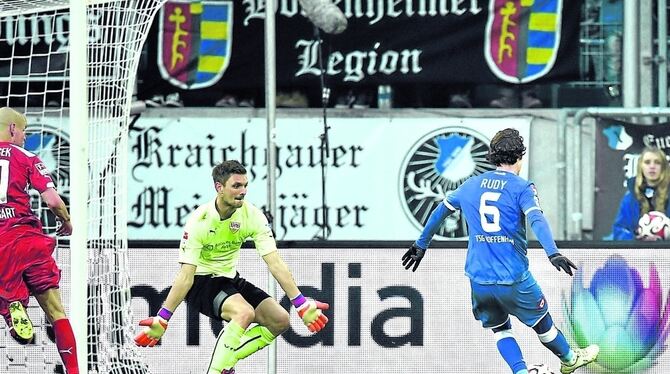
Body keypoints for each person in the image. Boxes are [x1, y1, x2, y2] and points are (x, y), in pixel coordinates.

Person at [401, 128, 599, 374]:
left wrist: (421, 244)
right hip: (513, 277)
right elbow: (536, 218)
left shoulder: (470, 185)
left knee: (500, 329)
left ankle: (521, 371)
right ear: (520, 156)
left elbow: (440, 211)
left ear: (492, 156)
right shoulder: (522, 188)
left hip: (479, 279)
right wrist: (552, 252)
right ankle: (570, 359)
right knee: (542, 323)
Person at [135, 160, 329, 374]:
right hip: (201, 283)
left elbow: (275, 262)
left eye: (245, 185)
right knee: (243, 312)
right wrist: (163, 318)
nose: (243, 191)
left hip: (229, 279)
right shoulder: (200, 221)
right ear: (219, 188)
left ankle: (227, 358)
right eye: (236, 186)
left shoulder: (253, 216)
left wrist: (300, 304)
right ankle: (217, 370)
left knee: (280, 320)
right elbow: (185, 277)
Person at [0, 107, 79, 373]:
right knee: (57, 312)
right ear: (12, 129)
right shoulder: (26, 157)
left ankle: (13, 307)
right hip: (29, 239)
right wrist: (66, 220)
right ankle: (75, 371)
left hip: (1, 244)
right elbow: (53, 200)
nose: (24, 137)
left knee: (5, 287)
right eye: (23, 131)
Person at [611, 147, 670, 240]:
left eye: (657, 162)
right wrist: (636, 239)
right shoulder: (630, 198)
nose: (652, 166)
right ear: (640, 166)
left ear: (664, 167)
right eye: (647, 162)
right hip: (636, 252)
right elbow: (618, 230)